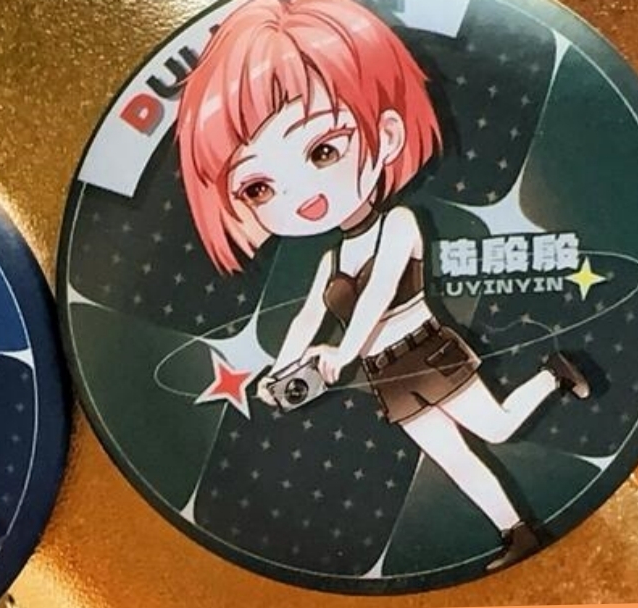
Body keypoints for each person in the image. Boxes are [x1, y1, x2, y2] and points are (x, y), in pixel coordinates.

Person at [176, 0, 591, 570]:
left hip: (425, 350)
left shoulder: (398, 224)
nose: (301, 194)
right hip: (385, 374)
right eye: (259, 188)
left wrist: (342, 353)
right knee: (453, 459)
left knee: (496, 428)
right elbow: (306, 318)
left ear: (387, 135)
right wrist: (281, 369)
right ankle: (515, 532)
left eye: (323, 150)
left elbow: (375, 297)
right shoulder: (332, 258)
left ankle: (554, 374)